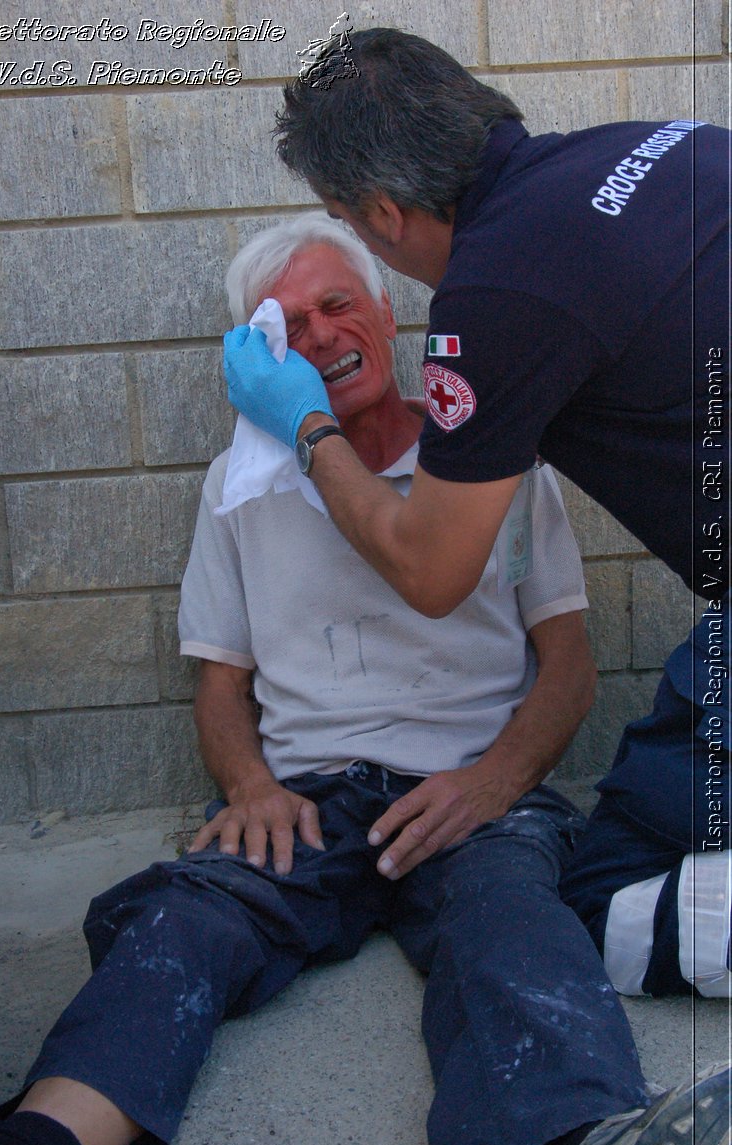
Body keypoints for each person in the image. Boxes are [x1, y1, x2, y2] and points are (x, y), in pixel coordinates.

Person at [0, 216, 727, 1145]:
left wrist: (491, 783)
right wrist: (251, 784)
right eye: (286, 322)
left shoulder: (492, 466)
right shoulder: (237, 489)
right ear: (259, 355)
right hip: (313, 792)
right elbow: (220, 681)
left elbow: (564, 664)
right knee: (191, 914)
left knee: (513, 920)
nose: (316, 333)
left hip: (468, 787)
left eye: (336, 303)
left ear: (389, 314)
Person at [222, 27, 731, 1004]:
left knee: (600, 901)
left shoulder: (495, 293)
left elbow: (432, 569)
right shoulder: (668, 145)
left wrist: (306, 426)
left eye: (353, 242)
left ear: (384, 214)